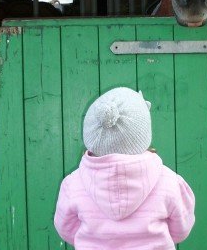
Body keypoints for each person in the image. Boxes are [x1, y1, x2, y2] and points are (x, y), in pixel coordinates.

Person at [54, 87, 195, 249]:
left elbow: (67, 230)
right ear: (143, 134)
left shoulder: (73, 185)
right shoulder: (170, 182)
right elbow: (180, 231)